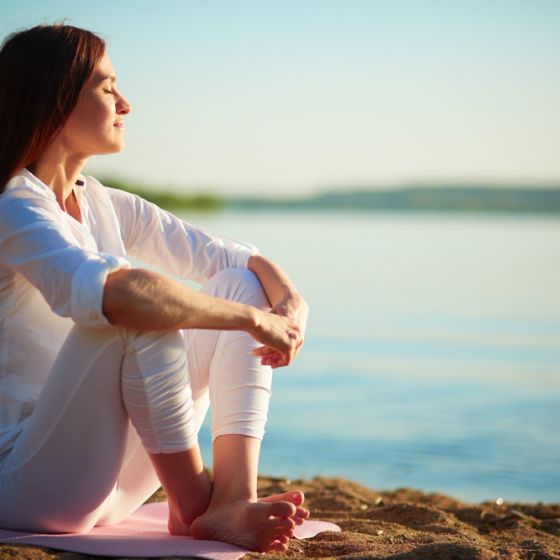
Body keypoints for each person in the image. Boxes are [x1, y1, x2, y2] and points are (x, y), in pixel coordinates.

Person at [0, 24, 309, 553]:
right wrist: (251, 320)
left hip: (112, 484)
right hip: (28, 482)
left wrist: (289, 301)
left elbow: (236, 259)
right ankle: (194, 505)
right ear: (54, 99)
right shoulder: (12, 206)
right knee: (135, 309)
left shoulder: (101, 201)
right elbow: (116, 294)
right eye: (106, 87)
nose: (125, 103)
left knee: (235, 285)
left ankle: (231, 498)